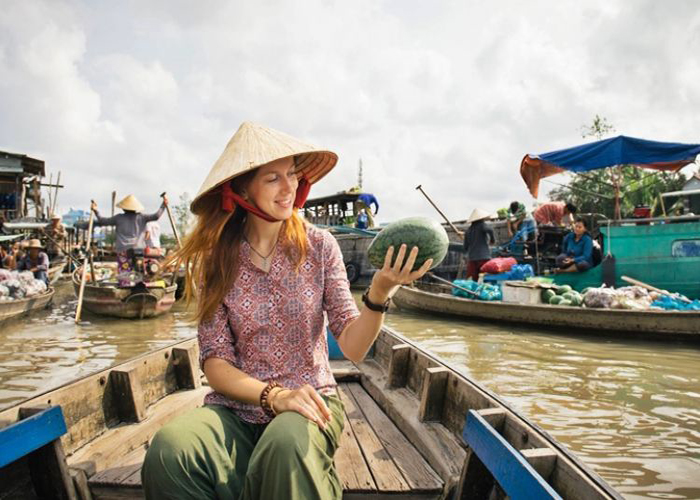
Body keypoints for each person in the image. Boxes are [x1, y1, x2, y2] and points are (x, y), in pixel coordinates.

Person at [141, 121, 432, 500]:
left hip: (309, 406)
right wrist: (272, 396)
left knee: (285, 444)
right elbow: (215, 363)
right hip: (236, 411)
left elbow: (354, 346)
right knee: (169, 450)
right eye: (273, 178)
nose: (289, 187)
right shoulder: (217, 260)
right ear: (243, 188)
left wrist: (379, 292)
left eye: (293, 175)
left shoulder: (319, 246)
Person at [81, 195, 168, 285]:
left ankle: (125, 288)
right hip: (139, 250)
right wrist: (163, 205)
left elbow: (103, 221)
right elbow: (157, 216)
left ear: (124, 209)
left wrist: (95, 210)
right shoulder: (142, 217)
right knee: (139, 272)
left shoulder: (119, 218)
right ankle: (140, 287)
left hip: (123, 251)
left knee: (125, 273)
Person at [463, 208, 495, 281]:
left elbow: (465, 247)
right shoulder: (482, 225)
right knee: (484, 280)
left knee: (472, 280)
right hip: (484, 258)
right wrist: (492, 240)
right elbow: (490, 230)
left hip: (472, 259)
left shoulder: (468, 231)